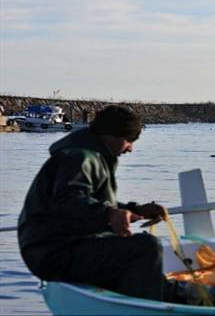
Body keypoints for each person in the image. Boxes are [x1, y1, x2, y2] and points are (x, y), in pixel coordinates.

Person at [17, 105, 171, 301]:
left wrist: (135, 210)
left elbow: (91, 203)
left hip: (64, 247)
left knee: (157, 275)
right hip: (53, 253)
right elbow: (69, 202)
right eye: (129, 140)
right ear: (111, 135)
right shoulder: (79, 158)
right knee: (146, 247)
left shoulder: (91, 155)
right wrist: (110, 215)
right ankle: (140, 309)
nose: (131, 148)